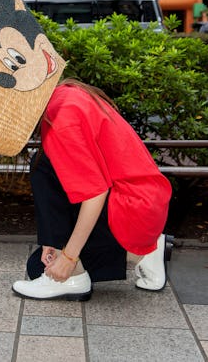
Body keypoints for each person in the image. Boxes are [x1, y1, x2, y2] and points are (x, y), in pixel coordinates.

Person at [12, 79, 173, 301]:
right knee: (43, 164)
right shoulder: (65, 93)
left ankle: (87, 273)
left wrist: (69, 258)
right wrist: (53, 242)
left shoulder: (61, 119)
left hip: (129, 208)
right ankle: (145, 251)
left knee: (38, 267)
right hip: (141, 204)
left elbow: (95, 193)